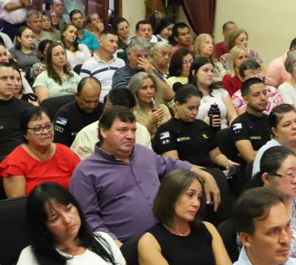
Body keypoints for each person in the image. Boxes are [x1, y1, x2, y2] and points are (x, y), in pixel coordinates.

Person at [71, 102, 219, 241]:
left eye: (133, 130)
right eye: (122, 130)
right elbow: (88, 219)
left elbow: (170, 164)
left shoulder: (142, 153)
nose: (130, 136)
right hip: (127, 245)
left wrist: (204, 174)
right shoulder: (86, 172)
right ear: (103, 131)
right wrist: (114, 245)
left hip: (167, 236)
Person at [0, 103, 80, 198]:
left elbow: (83, 187)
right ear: (25, 134)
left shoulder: (66, 153)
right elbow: (18, 204)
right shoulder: (14, 163)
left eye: (48, 126)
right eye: (38, 128)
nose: (45, 132)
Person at [153, 86, 238, 173]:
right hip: (187, 175)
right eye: (191, 108)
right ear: (177, 105)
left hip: (210, 170)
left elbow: (216, 155)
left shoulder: (202, 125)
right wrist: (205, 172)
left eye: (197, 108)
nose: (195, 112)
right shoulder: (166, 130)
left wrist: (227, 163)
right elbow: (174, 165)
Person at [251, 105, 296, 183]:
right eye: (287, 124)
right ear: (275, 131)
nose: (295, 127)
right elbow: (259, 186)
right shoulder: (267, 152)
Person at [228, 79, 274, 167]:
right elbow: (250, 157)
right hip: (253, 170)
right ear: (245, 99)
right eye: (256, 95)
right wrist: (277, 152)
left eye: (264, 93)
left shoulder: (271, 119)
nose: (263, 98)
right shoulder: (239, 124)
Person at [51, 76, 102, 147]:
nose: (92, 106)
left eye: (96, 101)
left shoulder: (104, 111)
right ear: (77, 96)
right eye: (87, 101)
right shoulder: (63, 115)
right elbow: (60, 145)